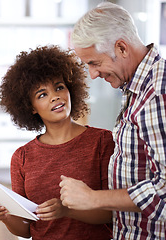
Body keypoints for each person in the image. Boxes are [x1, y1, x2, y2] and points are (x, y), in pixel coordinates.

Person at [0, 45, 115, 240]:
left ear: (71, 89)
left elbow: (113, 212)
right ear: (31, 108)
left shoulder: (102, 141)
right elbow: (26, 229)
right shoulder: (22, 157)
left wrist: (68, 211)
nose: (55, 96)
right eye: (42, 94)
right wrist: (5, 216)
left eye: (59, 87)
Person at [59, 2, 166, 239]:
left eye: (95, 63)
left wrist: (93, 198)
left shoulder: (157, 95)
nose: (93, 74)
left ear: (121, 48)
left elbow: (164, 192)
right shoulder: (136, 88)